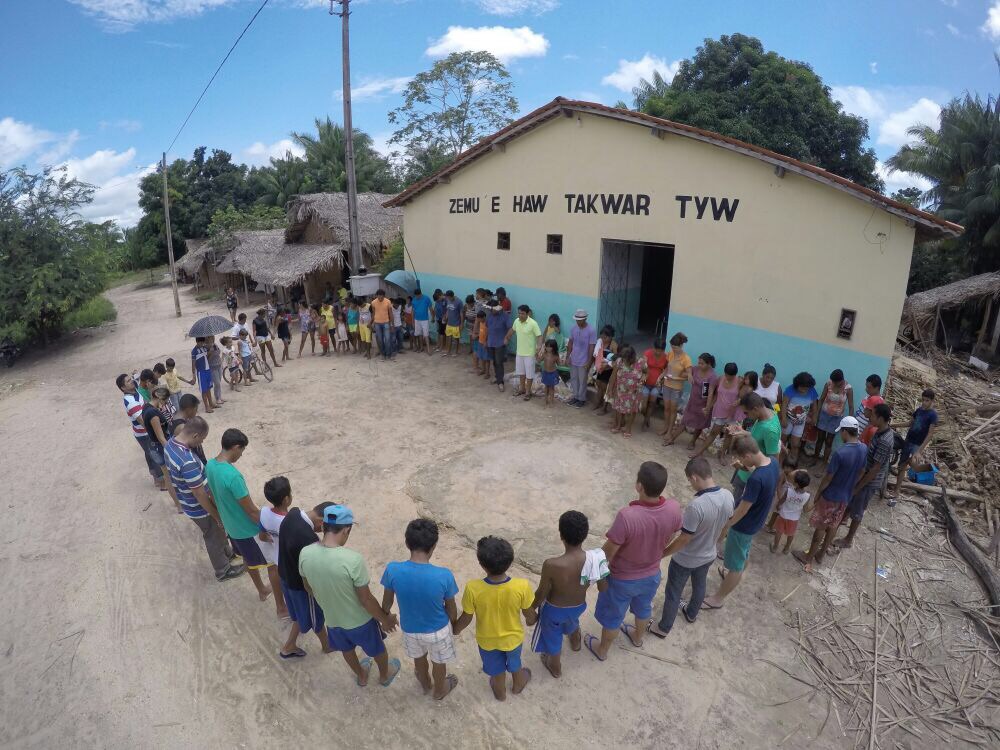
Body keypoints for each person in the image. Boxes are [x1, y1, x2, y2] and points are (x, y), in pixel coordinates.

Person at [586, 462, 681, 660]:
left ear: (639, 486)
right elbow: (673, 533)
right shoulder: (673, 508)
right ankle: (638, 637)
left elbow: (608, 552)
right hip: (652, 574)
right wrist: (658, 551)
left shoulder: (627, 516)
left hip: (622, 579)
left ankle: (602, 650)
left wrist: (593, 574)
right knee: (644, 607)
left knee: (613, 618)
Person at [298, 504, 402, 688]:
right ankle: (384, 675)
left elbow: (308, 587)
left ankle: (361, 676)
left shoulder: (305, 553)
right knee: (377, 649)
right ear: (346, 530)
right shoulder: (352, 560)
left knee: (346, 650)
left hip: (333, 621)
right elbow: (366, 599)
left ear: (323, 527)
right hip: (360, 622)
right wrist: (385, 620)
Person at [205, 429, 288, 619]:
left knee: (248, 560)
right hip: (248, 530)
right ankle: (281, 608)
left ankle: (261, 590)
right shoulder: (234, 477)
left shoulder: (210, 465)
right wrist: (270, 527)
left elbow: (210, 493)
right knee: (273, 565)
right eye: (241, 451)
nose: (241, 455)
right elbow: (251, 510)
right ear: (235, 447)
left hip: (232, 528)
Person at [648, 458, 733, 638]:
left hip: (686, 558)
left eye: (689, 480)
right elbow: (726, 525)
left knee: (673, 592)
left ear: (694, 478)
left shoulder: (697, 506)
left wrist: (662, 554)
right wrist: (716, 542)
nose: (690, 484)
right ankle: (692, 613)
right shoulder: (728, 495)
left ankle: (663, 628)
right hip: (708, 554)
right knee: (700, 583)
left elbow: (684, 538)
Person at [379, 519, 460, 700]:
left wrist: (387, 617)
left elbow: (386, 604)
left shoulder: (393, 570)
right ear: (433, 547)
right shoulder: (444, 575)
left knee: (419, 660)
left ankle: (425, 684)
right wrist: (452, 626)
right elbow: (451, 609)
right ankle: (439, 690)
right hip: (438, 630)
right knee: (439, 663)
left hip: (410, 629)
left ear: (407, 543)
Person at [453, 536, 536, 701]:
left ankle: (500, 692)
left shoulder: (473, 588)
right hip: (513, 639)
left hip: (487, 641)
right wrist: (532, 620)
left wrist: (456, 628)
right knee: (515, 662)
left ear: (481, 564)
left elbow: (467, 616)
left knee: (496, 671)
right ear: (510, 561)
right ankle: (518, 683)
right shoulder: (522, 586)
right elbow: (529, 612)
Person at [703, 434, 781, 609]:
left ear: (747, 455)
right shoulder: (773, 463)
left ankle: (718, 598)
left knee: (736, 563)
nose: (739, 461)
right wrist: (745, 469)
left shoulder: (755, 480)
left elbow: (743, 509)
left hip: (743, 525)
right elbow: (764, 481)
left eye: (740, 458)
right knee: (742, 553)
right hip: (756, 521)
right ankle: (734, 571)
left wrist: (727, 524)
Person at [164, 417, 245, 581]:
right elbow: (200, 494)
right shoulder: (187, 461)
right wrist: (216, 515)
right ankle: (223, 570)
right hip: (200, 509)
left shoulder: (171, 444)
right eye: (202, 439)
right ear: (194, 436)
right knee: (212, 535)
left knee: (217, 532)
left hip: (188, 502)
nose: (201, 442)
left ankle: (227, 554)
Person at [262, 477, 333, 659]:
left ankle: (290, 645)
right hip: (299, 587)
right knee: (314, 618)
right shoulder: (309, 539)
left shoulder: (292, 514)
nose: (323, 531)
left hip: (285, 576)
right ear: (321, 521)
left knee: (298, 616)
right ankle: (326, 646)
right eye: (325, 528)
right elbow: (311, 574)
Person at [793, 417, 867, 570]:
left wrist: (819, 493)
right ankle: (820, 554)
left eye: (841, 432)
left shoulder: (840, 453)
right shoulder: (863, 448)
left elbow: (828, 478)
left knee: (821, 527)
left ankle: (808, 557)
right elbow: (862, 471)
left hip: (831, 496)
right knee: (834, 524)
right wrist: (851, 486)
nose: (841, 435)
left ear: (846, 431)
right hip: (845, 496)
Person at [530, 510, 591, 677]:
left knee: (552, 638)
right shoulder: (594, 558)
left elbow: (542, 593)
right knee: (571, 619)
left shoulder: (552, 565)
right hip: (579, 605)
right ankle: (575, 641)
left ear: (561, 535)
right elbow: (603, 586)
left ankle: (554, 666)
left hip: (554, 611)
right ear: (585, 535)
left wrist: (531, 609)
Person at [834, 403, 894, 549]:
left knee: (858, 510)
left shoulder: (885, 440)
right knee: (851, 502)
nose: (870, 416)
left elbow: (875, 469)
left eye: (873, 414)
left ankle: (848, 540)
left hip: (870, 480)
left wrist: (859, 485)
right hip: (865, 476)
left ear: (880, 418)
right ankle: (840, 520)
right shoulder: (879, 431)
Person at [727, 392, 782, 502]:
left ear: (755, 409)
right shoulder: (767, 413)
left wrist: (748, 468)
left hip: (750, 476)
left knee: (738, 505)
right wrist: (743, 432)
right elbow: (758, 438)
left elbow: (773, 461)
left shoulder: (770, 430)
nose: (745, 416)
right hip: (744, 468)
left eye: (746, 413)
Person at [889, 389, 938, 501]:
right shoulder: (919, 410)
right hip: (909, 440)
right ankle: (896, 491)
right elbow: (909, 423)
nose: (924, 403)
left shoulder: (933, 415)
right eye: (923, 400)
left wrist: (919, 451)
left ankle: (928, 472)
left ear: (932, 401)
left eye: (927, 400)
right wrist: (893, 424)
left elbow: (930, 434)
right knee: (901, 467)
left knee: (913, 465)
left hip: (918, 445)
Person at [118, 373, 162, 488]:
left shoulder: (134, 390)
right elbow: (143, 421)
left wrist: (135, 374)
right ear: (123, 388)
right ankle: (161, 481)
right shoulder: (130, 401)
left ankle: (156, 478)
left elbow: (139, 378)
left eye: (130, 379)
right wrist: (156, 430)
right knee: (154, 455)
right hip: (144, 433)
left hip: (144, 431)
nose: (131, 381)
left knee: (149, 453)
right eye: (128, 381)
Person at [664, 353, 717, 448]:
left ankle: (693, 442)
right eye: (699, 363)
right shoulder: (695, 369)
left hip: (703, 405)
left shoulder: (712, 376)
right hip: (693, 402)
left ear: (708, 364)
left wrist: (707, 408)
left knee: (699, 425)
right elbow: (682, 373)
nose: (699, 365)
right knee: (685, 421)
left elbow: (710, 393)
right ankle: (672, 439)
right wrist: (689, 375)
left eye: (702, 364)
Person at [691, 362, 740, 460]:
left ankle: (722, 455)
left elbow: (746, 393)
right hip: (721, 411)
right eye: (727, 375)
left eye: (731, 376)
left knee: (729, 435)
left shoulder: (740, 382)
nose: (728, 378)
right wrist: (708, 406)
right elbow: (713, 394)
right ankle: (699, 452)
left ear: (735, 375)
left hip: (732, 414)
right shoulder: (720, 379)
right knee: (714, 432)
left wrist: (740, 400)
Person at [142, 386, 181, 509]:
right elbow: (160, 437)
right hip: (159, 447)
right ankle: (179, 505)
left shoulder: (147, 406)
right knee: (168, 478)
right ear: (159, 398)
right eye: (164, 402)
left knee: (168, 476)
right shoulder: (153, 414)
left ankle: (178, 503)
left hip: (154, 445)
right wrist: (171, 450)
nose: (164, 405)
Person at [812, 370, 854, 465]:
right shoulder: (828, 384)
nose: (834, 383)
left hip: (836, 418)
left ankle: (824, 464)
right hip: (824, 415)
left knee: (829, 441)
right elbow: (821, 399)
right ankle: (814, 459)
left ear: (842, 380)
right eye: (833, 381)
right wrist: (816, 415)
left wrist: (850, 422)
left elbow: (851, 406)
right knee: (820, 439)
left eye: (836, 382)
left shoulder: (848, 388)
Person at [505, 305, 542, 400]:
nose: (520, 315)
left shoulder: (533, 323)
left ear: (527, 313)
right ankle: (522, 389)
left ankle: (528, 392)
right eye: (519, 313)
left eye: (522, 313)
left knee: (529, 374)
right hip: (519, 352)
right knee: (521, 372)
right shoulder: (516, 321)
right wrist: (507, 337)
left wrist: (538, 348)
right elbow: (512, 330)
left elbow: (539, 336)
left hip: (529, 354)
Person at [781, 372, 819, 465]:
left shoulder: (812, 390)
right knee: (783, 441)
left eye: (807, 388)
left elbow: (815, 406)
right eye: (802, 387)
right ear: (797, 385)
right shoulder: (790, 390)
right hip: (788, 420)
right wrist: (783, 419)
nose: (804, 390)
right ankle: (780, 461)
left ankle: (793, 463)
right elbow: (784, 404)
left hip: (801, 422)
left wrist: (814, 417)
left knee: (795, 444)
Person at [658, 333, 692, 439]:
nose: (673, 349)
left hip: (677, 388)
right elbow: (666, 369)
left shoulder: (686, 359)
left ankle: (669, 431)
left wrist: (676, 378)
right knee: (666, 408)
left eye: (675, 347)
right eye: (672, 347)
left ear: (681, 345)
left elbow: (689, 377)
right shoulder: (670, 354)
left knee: (673, 409)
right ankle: (665, 427)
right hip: (667, 385)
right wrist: (660, 377)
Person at [770, 469, 811, 555]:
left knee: (779, 532)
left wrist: (778, 505)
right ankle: (786, 548)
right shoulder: (807, 496)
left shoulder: (789, 491)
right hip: (794, 519)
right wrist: (814, 505)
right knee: (791, 534)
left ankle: (775, 547)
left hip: (783, 515)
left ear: (796, 483)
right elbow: (806, 509)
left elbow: (782, 500)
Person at [610, 345, 645, 437]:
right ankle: (618, 426)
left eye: (626, 359)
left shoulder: (640, 362)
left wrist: (644, 378)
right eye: (623, 358)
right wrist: (610, 389)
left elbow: (646, 372)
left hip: (634, 392)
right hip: (620, 390)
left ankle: (628, 428)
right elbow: (613, 376)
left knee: (631, 411)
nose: (624, 360)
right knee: (618, 408)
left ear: (632, 357)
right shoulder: (619, 361)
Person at [565, 309, 596, 408]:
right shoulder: (573, 328)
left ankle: (581, 399)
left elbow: (592, 346)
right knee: (574, 379)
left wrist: (589, 361)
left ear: (585, 319)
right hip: (574, 358)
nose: (578, 322)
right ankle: (575, 396)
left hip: (584, 360)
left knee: (582, 380)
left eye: (580, 320)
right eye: (577, 320)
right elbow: (570, 343)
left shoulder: (591, 330)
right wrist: (567, 356)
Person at [639, 339, 668, 429]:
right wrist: (644, 368)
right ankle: (646, 417)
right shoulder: (647, 353)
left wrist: (660, 378)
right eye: (657, 350)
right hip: (645, 383)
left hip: (657, 385)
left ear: (663, 350)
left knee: (651, 403)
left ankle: (646, 420)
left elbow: (666, 370)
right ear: (653, 348)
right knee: (643, 406)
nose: (658, 352)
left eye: (661, 351)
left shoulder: (666, 357)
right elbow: (642, 367)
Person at [172, 393, 208, 463]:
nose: (196, 412)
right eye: (196, 409)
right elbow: (191, 447)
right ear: (189, 409)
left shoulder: (176, 417)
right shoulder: (182, 427)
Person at [592, 325, 618, 414]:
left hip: (609, 370)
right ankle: (598, 403)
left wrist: (607, 366)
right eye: (602, 336)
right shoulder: (600, 343)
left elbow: (616, 360)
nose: (603, 338)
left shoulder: (614, 345)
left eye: (605, 337)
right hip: (600, 368)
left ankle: (604, 408)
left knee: (605, 388)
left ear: (610, 337)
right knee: (599, 385)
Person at [486, 300, 511, 392]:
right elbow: (488, 328)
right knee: (494, 362)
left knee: (499, 362)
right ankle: (498, 377)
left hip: (500, 344)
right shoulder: (489, 316)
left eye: (492, 309)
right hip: (491, 343)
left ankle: (500, 382)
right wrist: (486, 341)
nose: (491, 311)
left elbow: (510, 328)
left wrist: (506, 338)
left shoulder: (505, 316)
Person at [190, 337, 216, 413]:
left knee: (208, 388)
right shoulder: (194, 351)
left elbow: (206, 358)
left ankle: (211, 403)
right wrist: (194, 375)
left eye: (202, 343)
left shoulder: (204, 348)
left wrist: (210, 353)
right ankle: (206, 407)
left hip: (207, 370)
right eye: (200, 343)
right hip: (201, 372)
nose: (201, 344)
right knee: (204, 390)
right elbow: (193, 364)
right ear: (197, 342)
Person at [370, 288, 394, 361]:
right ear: (376, 295)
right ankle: (383, 354)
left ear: (384, 296)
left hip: (386, 322)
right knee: (379, 340)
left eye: (381, 296)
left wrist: (392, 325)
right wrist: (371, 323)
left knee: (387, 339)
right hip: (377, 323)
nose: (380, 297)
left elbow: (391, 314)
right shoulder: (373, 302)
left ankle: (388, 354)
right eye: (378, 296)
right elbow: (373, 313)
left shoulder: (388, 302)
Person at [411, 288, 433, 354]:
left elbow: (431, 308)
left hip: (424, 320)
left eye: (418, 296)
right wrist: (413, 321)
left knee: (426, 334)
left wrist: (433, 317)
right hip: (417, 319)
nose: (417, 297)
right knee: (419, 334)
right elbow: (413, 311)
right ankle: (421, 348)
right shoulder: (414, 300)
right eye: (416, 296)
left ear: (421, 294)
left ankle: (428, 349)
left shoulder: (426, 298)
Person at [442, 290, 464, 357]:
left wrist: (462, 323)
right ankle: (448, 351)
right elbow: (448, 310)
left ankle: (456, 352)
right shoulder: (448, 300)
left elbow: (461, 313)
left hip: (456, 324)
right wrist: (445, 317)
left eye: (448, 297)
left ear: (452, 296)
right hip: (449, 323)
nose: (447, 299)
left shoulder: (459, 302)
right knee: (449, 337)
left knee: (456, 339)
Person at [540, 339, 561, 407]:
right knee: (546, 387)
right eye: (547, 346)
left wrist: (562, 362)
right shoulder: (544, 354)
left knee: (552, 388)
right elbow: (539, 360)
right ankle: (545, 399)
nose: (548, 348)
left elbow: (559, 364)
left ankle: (551, 401)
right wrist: (537, 353)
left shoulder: (556, 355)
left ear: (554, 347)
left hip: (553, 373)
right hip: (545, 373)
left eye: (550, 347)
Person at [206, 337, 226, 407]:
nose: (212, 339)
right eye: (210, 338)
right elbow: (206, 359)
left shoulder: (215, 345)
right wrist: (210, 352)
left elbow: (218, 353)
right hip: (212, 367)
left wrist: (221, 363)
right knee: (217, 383)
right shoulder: (206, 347)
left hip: (218, 365)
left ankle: (219, 397)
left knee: (219, 382)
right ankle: (217, 398)